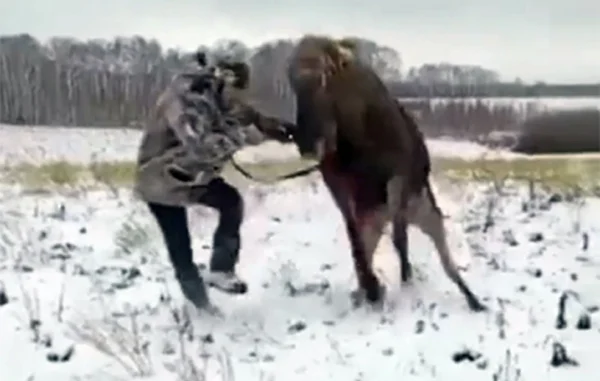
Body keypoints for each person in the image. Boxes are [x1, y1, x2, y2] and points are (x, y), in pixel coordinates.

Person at [134, 53, 296, 312]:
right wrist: (244, 136)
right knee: (181, 250)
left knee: (231, 201)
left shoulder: (217, 98)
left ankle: (221, 270)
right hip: (161, 180)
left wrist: (275, 130)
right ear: (222, 81)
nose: (239, 100)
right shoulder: (184, 100)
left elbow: (238, 119)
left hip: (192, 176)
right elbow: (201, 145)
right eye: (237, 92)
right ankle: (202, 310)